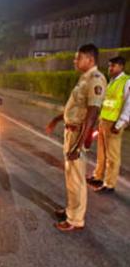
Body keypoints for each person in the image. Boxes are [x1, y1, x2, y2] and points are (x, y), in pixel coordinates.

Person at [46, 44, 107, 232]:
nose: (75, 61)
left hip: (78, 134)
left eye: (78, 58)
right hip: (71, 131)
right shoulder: (84, 78)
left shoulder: (96, 79)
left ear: (89, 59)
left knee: (76, 179)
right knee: (71, 176)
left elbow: (92, 114)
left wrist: (78, 146)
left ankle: (75, 220)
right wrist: (58, 119)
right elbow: (75, 107)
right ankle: (71, 210)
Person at [87, 56, 130, 193]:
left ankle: (109, 184)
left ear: (121, 67)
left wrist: (120, 123)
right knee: (101, 152)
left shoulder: (126, 81)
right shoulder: (111, 81)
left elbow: (129, 105)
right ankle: (98, 176)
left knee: (112, 156)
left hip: (114, 123)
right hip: (104, 121)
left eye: (113, 66)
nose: (110, 68)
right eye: (109, 65)